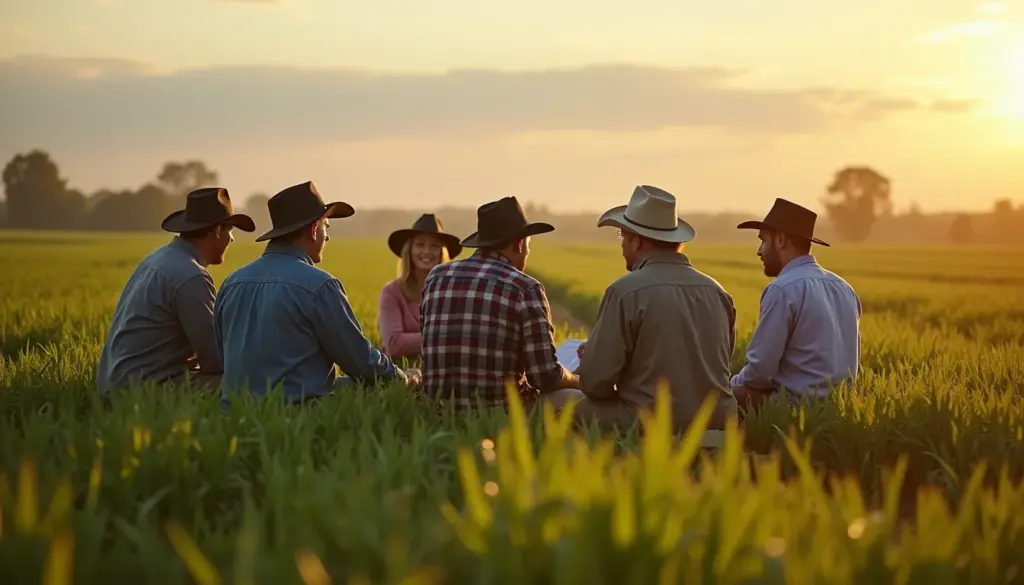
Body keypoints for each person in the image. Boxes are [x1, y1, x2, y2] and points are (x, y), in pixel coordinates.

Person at [551, 185, 738, 434]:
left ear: (637, 241)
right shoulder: (718, 292)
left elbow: (596, 385)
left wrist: (596, 358)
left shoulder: (624, 291)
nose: (622, 246)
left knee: (552, 401)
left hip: (649, 420)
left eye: (622, 237)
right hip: (719, 420)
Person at [213, 181, 418, 407]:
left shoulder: (231, 282)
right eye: (325, 227)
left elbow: (224, 359)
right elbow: (361, 362)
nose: (327, 236)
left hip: (234, 413)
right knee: (379, 388)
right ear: (313, 230)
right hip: (299, 412)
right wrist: (405, 378)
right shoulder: (320, 285)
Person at [419, 196, 580, 410]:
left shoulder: (435, 277)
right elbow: (545, 377)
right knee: (577, 398)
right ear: (519, 244)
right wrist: (578, 381)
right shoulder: (525, 287)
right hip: (503, 411)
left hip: (437, 410)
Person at [96, 187, 255, 397]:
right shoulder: (191, 275)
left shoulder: (158, 258)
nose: (232, 239)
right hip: (144, 390)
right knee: (254, 384)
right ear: (217, 230)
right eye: (230, 230)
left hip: (114, 384)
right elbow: (216, 360)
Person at [731, 197, 862, 408]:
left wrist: (729, 385)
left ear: (781, 240)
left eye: (763, 240)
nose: (759, 250)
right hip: (840, 407)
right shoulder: (844, 288)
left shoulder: (782, 290)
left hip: (793, 407)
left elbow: (759, 373)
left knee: (716, 397)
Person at [377, 214, 462, 360]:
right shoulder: (392, 292)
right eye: (420, 244)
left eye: (434, 246)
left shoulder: (453, 293)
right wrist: (443, 337)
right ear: (409, 250)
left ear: (442, 252)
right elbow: (393, 344)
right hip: (400, 374)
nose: (427, 251)